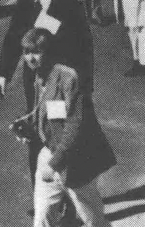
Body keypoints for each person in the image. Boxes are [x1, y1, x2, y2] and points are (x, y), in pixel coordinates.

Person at [0, 0, 93, 187]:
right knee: (37, 133)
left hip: (60, 87)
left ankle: (67, 195)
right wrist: (4, 74)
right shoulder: (26, 3)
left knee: (56, 134)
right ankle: (42, 193)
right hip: (35, 85)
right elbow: (13, 37)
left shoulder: (69, 6)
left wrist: (85, 85)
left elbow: (85, 48)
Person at [20, 28, 115, 227]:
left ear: (49, 52)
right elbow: (53, 117)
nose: (31, 58)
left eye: (36, 52)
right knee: (42, 217)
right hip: (51, 153)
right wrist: (30, 128)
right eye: (27, 52)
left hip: (75, 161)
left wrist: (54, 163)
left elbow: (74, 124)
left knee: (92, 219)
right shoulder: (39, 77)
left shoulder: (67, 78)